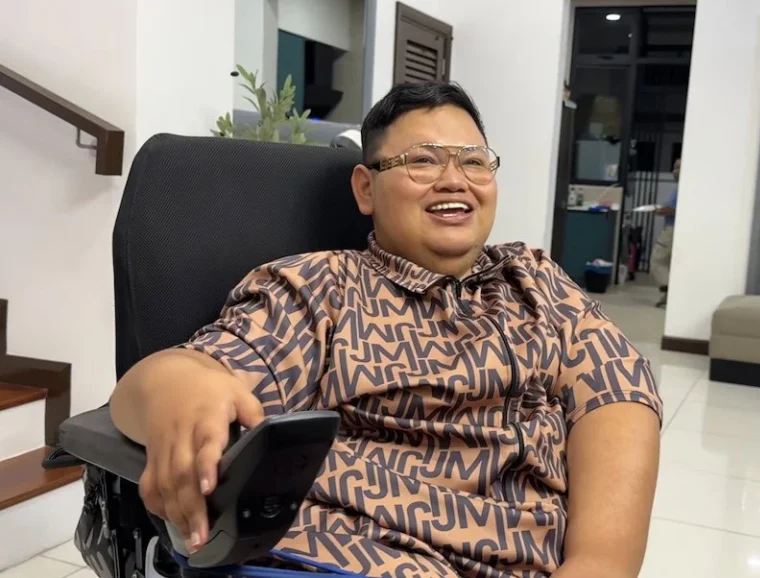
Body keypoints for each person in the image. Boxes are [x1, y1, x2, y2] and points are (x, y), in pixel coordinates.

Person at [110, 82, 662, 578]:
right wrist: (182, 389)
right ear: (366, 189)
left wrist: (599, 561)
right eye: (422, 160)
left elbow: (617, 390)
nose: (455, 180)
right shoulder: (323, 286)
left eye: (474, 162)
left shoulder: (533, 280)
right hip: (350, 554)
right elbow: (177, 375)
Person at [650, 159, 681, 308]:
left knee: (658, 260)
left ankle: (669, 290)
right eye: (674, 168)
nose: (674, 172)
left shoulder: (680, 189)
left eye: (678, 168)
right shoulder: (688, 188)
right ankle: (668, 296)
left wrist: (659, 211)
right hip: (679, 230)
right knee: (671, 264)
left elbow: (674, 210)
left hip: (672, 230)